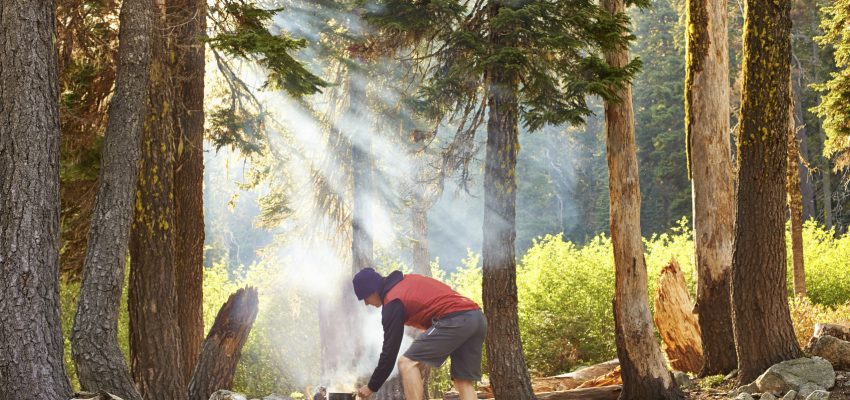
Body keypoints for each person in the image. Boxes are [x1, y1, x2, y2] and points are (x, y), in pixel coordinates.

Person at [352, 267, 486, 400]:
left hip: (455, 319)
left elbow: (389, 352)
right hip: (476, 317)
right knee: (463, 381)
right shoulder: (405, 282)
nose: (366, 303)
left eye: (365, 297)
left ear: (372, 290)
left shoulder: (392, 301)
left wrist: (371, 386)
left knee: (406, 363)